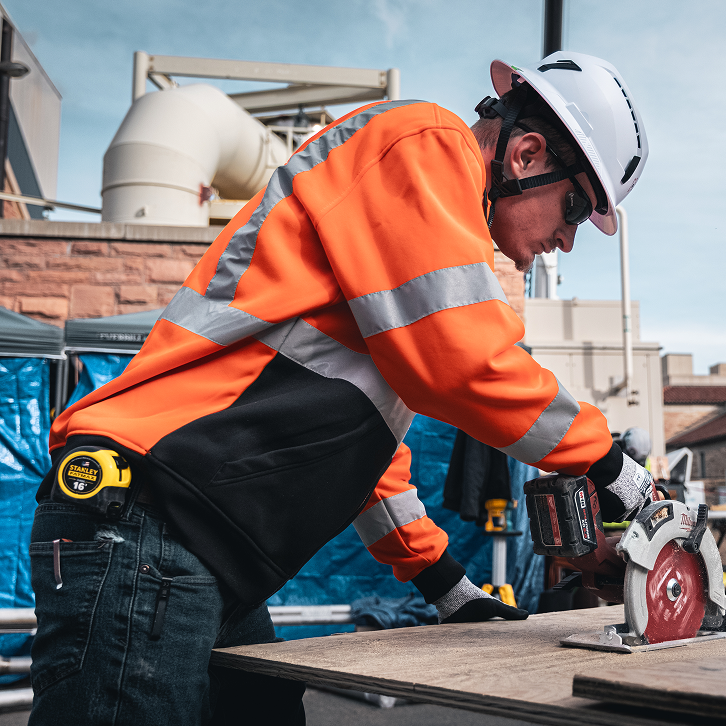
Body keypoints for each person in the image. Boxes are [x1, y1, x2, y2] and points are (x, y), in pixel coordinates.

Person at [29, 51, 651, 725]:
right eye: (576, 208)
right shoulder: (425, 143)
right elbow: (463, 360)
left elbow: (371, 461)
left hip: (192, 547)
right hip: (148, 521)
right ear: (528, 155)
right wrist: (612, 466)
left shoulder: (410, 267)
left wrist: (448, 587)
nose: (568, 239)